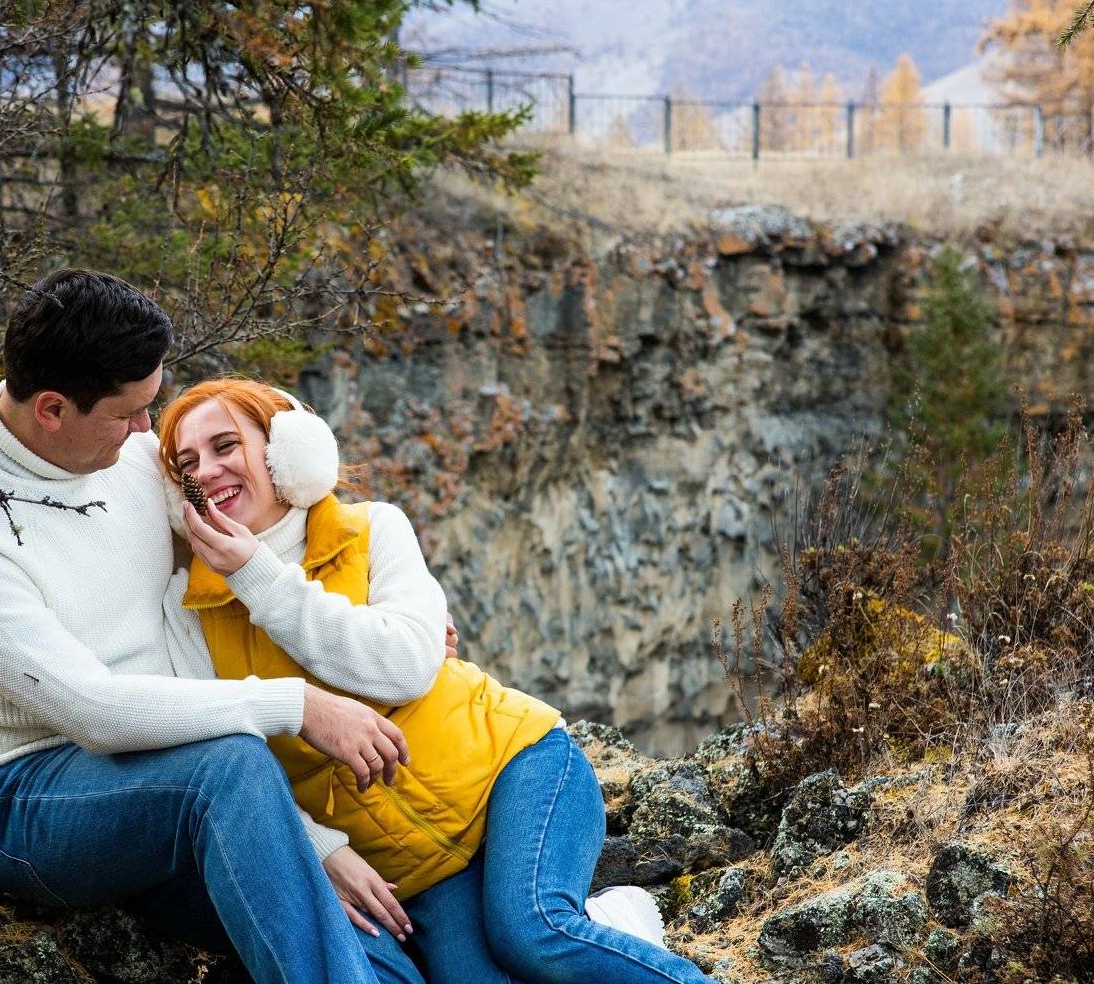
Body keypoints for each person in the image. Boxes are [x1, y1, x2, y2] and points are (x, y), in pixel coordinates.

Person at [0, 269, 433, 983]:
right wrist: (299, 705)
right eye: (130, 412)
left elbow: (257, 538)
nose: (148, 431)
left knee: (377, 948)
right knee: (231, 766)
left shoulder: (120, 454)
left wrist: (398, 613)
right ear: (53, 409)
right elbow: (96, 711)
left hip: (177, 778)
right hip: (30, 800)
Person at [157, 378, 719, 984]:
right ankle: (612, 926)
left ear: (287, 453)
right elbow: (227, 758)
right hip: (420, 867)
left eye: (225, 446)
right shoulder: (187, 609)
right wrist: (322, 848)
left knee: (534, 932)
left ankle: (609, 934)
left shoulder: (374, 529)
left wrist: (258, 578)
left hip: (513, 770)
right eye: (187, 464)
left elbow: (406, 665)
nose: (206, 471)